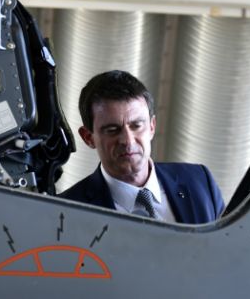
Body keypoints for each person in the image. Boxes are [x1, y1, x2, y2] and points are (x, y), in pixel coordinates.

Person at [60, 70, 224, 224]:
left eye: (136, 126)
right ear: (88, 138)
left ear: (152, 127)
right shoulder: (66, 211)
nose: (127, 140)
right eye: (112, 130)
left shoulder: (200, 181)